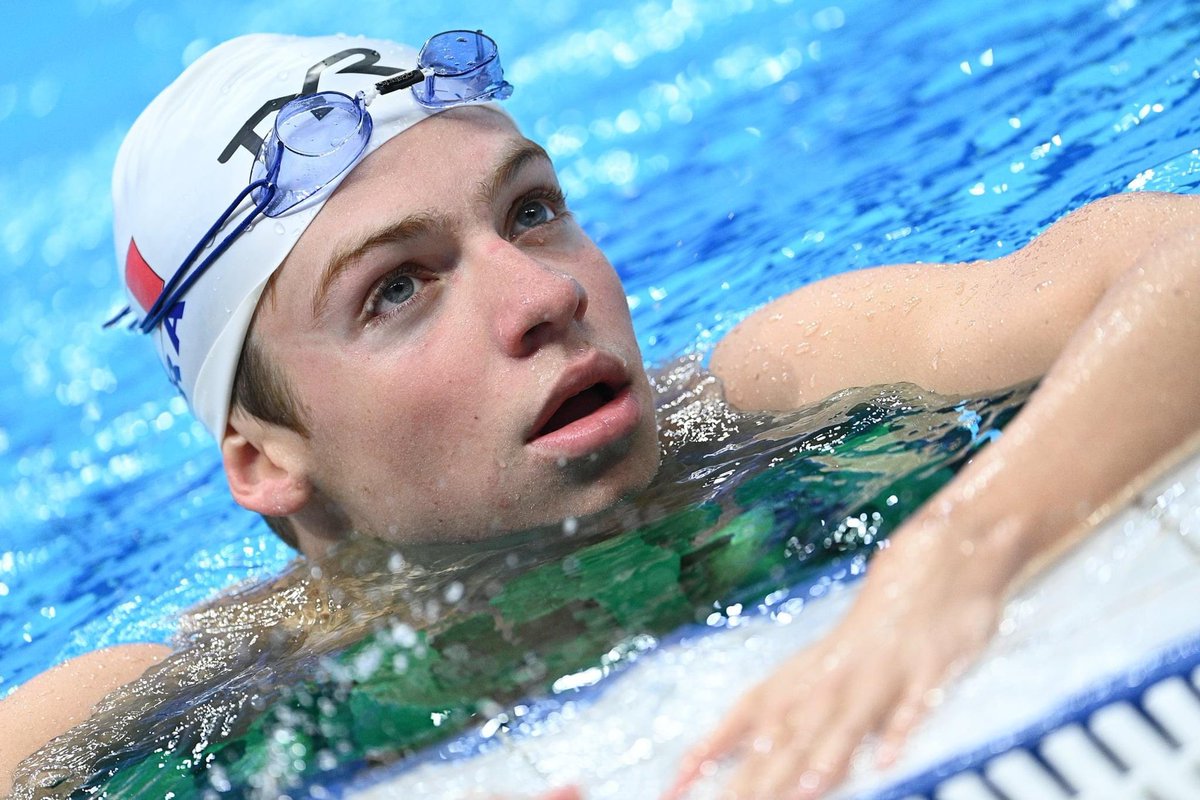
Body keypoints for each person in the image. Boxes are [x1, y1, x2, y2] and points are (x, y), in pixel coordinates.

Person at [1, 29, 1198, 800]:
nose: (546, 294)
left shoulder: (784, 385)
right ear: (266, 460)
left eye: (529, 211)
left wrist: (965, 547)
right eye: (398, 289)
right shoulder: (204, 697)